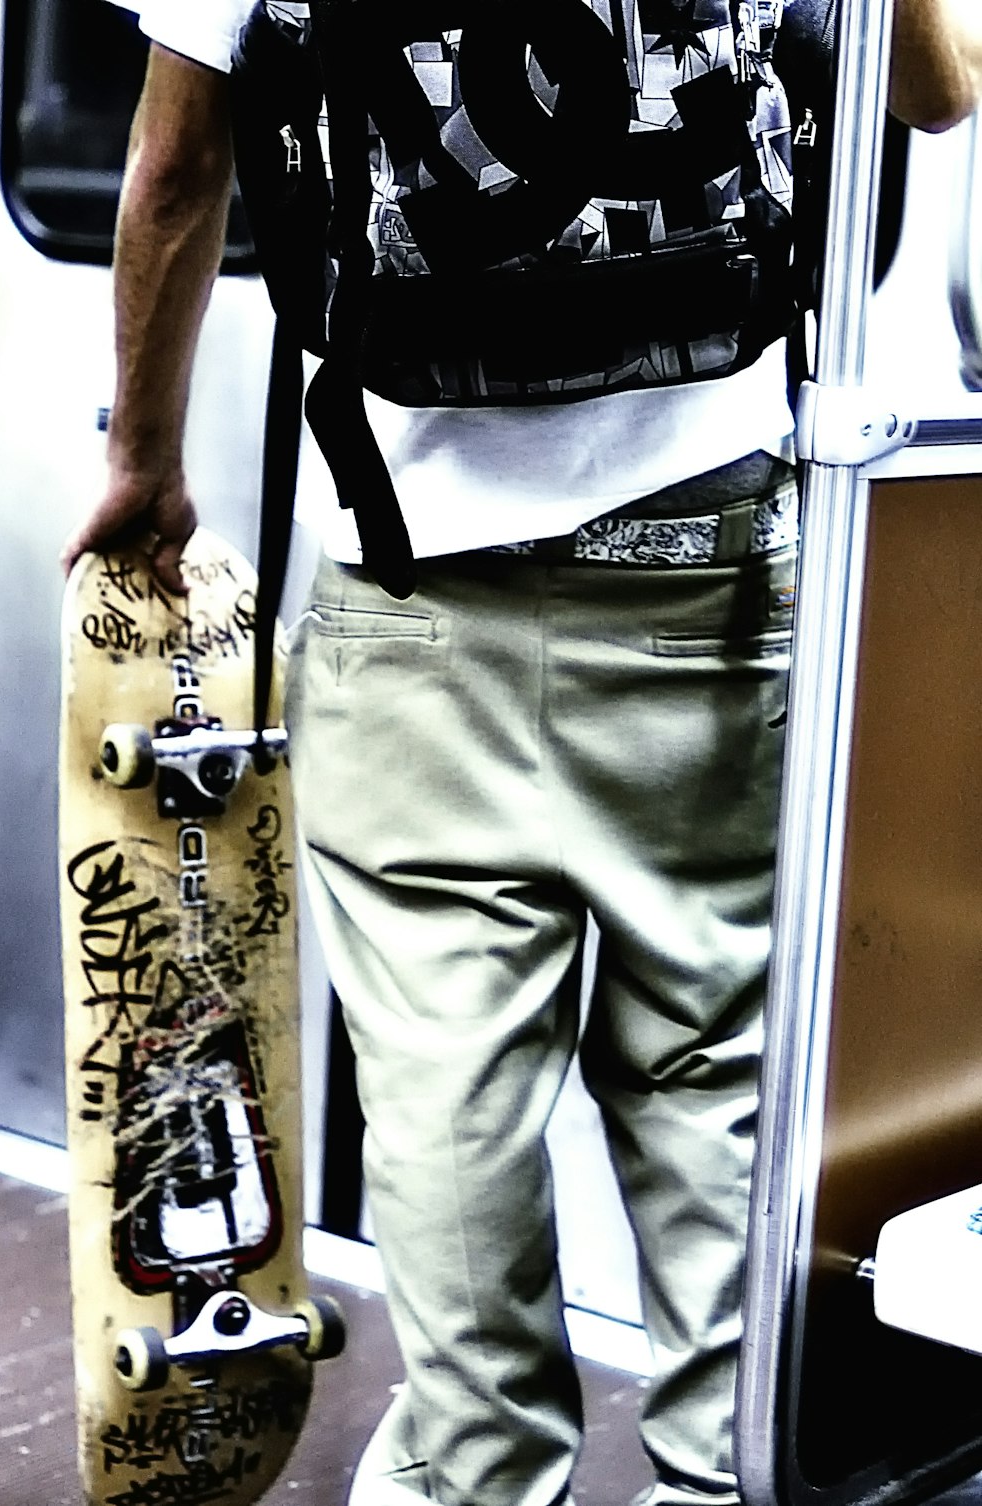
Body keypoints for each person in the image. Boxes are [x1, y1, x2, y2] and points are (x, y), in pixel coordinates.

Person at [64, 7, 982, 1506]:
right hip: (714, 581)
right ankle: (717, 1473)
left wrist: (146, 467)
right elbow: (936, 93)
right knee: (717, 1086)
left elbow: (176, 165)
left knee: (445, 1099)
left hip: (419, 598)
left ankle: (482, 1467)